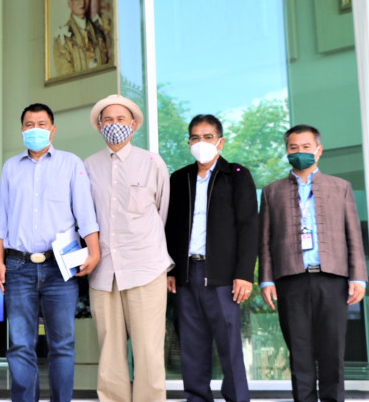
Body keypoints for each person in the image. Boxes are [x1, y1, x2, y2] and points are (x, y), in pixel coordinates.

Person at [0, 102, 100, 402]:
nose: (35, 129)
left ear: (52, 130)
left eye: (41, 124)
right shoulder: (10, 167)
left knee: (62, 345)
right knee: (20, 345)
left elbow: (85, 213)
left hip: (60, 267)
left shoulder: (71, 163)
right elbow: (3, 218)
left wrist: (94, 251)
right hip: (18, 266)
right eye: (29, 124)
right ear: (22, 130)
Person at [259, 124, 367, 402]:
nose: (300, 152)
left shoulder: (340, 187)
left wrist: (358, 277)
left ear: (319, 150)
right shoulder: (272, 192)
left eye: (306, 147)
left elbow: (353, 236)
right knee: (300, 354)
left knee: (333, 352)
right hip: (290, 280)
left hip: (332, 279)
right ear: (287, 152)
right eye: (293, 147)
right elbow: (265, 240)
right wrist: (267, 279)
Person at [83, 94, 171, 402]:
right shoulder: (88, 166)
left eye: (121, 119)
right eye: (108, 120)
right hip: (104, 271)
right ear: (99, 126)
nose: (114, 124)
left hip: (145, 267)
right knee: (109, 351)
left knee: (148, 350)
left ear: (133, 125)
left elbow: (163, 212)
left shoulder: (152, 162)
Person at [165, 114, 258, 402]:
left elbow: (249, 226)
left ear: (220, 141)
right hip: (187, 273)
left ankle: (237, 398)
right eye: (195, 137)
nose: (201, 142)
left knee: (229, 345)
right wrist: (171, 270)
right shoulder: (179, 178)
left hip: (223, 275)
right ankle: (197, 397)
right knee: (192, 345)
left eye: (207, 137)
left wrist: (244, 273)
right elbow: (170, 228)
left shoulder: (237, 175)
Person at [52, 0, 110, 78]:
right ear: (70, 3)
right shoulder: (62, 37)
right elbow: (65, 75)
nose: (82, 2)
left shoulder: (98, 31)